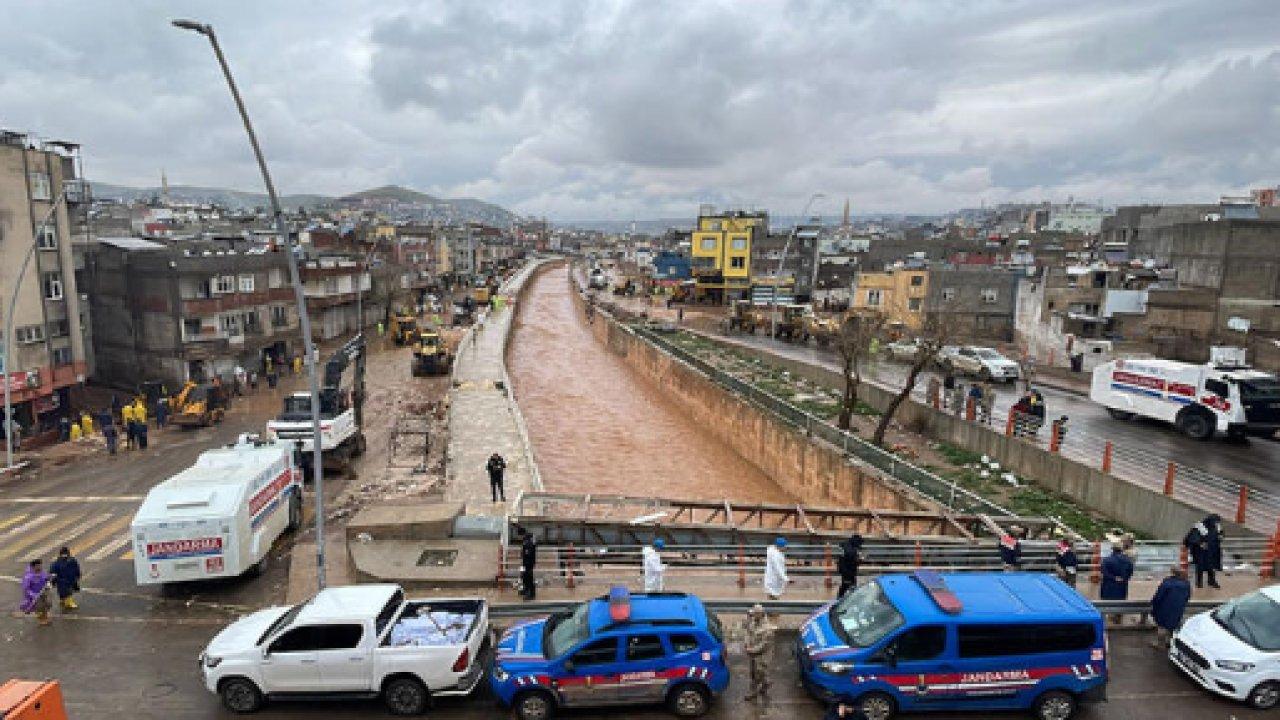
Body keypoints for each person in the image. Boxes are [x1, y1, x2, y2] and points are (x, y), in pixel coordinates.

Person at [1150, 565, 1192, 649]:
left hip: (1164, 607)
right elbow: (1188, 596)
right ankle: (1169, 642)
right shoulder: (1186, 583)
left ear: (1173, 573)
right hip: (1178, 608)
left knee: (1161, 626)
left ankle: (1159, 644)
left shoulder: (1168, 582)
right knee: (1172, 625)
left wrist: (1154, 604)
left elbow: (1159, 596)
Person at [741, 604, 775, 701]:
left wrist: (751, 650)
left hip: (762, 657)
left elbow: (764, 646)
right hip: (752, 653)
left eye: (754, 614)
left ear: (760, 614)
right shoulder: (753, 622)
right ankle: (766, 684)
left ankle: (753, 692)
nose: (752, 616)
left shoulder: (767, 629)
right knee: (754, 672)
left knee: (757, 674)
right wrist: (747, 643)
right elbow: (748, 632)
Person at [1184, 514, 1223, 589]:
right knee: (1200, 566)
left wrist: (1221, 536)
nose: (1216, 524)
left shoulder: (1217, 526)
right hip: (1201, 552)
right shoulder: (1200, 526)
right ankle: (1199, 582)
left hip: (1213, 550)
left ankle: (1211, 581)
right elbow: (1192, 537)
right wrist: (1200, 543)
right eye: (1215, 522)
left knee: (1211, 566)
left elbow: (1221, 533)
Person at [1100, 544, 1135, 624]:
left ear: (1112, 549)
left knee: (1107, 603)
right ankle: (1118, 617)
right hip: (1122, 586)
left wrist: (1113, 578)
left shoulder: (1106, 560)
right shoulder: (1128, 560)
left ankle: (1109, 619)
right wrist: (1124, 578)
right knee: (1120, 601)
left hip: (1108, 585)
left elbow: (1104, 572)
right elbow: (1130, 572)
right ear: (1121, 550)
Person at [19, 559, 53, 626]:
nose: (40, 567)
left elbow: (46, 578)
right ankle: (41, 620)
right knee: (40, 607)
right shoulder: (28, 577)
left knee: (47, 604)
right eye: (38, 566)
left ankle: (45, 617)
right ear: (34, 567)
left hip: (44, 592)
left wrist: (49, 579)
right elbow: (26, 589)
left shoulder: (42, 572)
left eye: (40, 565)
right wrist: (34, 595)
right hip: (35, 595)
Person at [50, 546, 82, 612]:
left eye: (66, 554)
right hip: (61, 580)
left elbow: (76, 568)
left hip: (71, 579)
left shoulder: (72, 561)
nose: (65, 555)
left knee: (69, 591)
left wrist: (78, 575)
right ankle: (67, 602)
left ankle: (65, 601)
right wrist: (53, 580)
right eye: (63, 554)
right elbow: (53, 572)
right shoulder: (57, 563)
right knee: (64, 592)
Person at [518, 528, 537, 601]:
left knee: (529, 578)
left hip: (528, 563)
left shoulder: (528, 542)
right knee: (525, 577)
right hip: (526, 563)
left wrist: (525, 563)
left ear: (521, 535)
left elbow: (528, 554)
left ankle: (531, 594)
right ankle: (526, 590)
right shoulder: (527, 540)